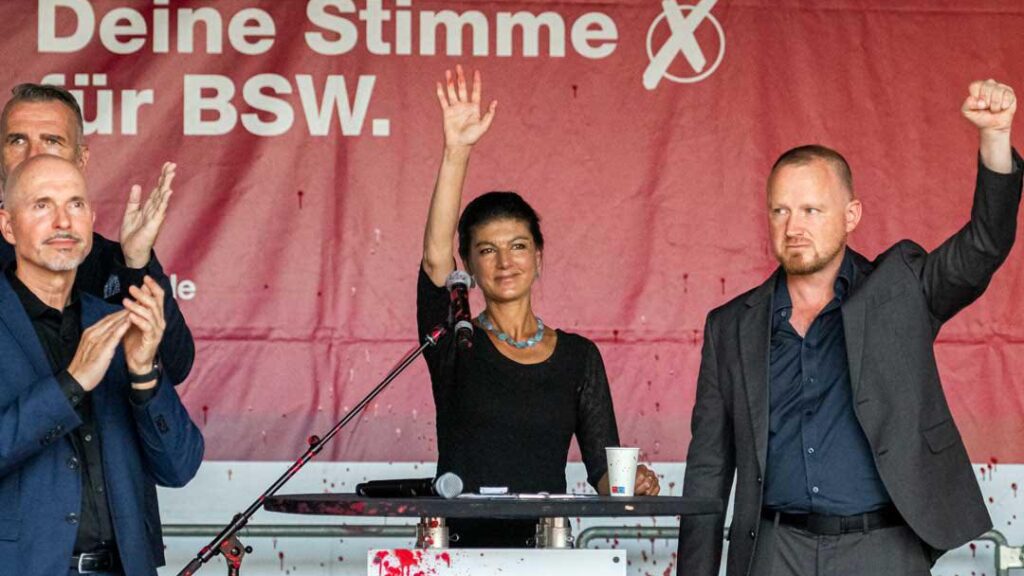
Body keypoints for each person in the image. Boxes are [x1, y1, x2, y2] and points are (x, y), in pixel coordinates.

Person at [678, 79, 1021, 576]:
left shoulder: (901, 289)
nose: (794, 227)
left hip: (882, 548)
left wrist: (995, 138)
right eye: (780, 210)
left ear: (851, 215)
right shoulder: (730, 326)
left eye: (811, 210)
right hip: (774, 551)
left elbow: (985, 245)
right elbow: (708, 469)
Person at [418, 66, 661, 546]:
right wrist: (456, 152)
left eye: (518, 246)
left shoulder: (578, 357)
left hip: (546, 552)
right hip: (456, 552)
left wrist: (633, 482)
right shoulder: (456, 341)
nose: (505, 261)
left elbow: (604, 472)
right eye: (487, 250)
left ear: (539, 258)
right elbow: (433, 259)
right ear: (468, 266)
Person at [0, 154, 204, 575]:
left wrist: (144, 375)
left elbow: (180, 467)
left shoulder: (115, 323)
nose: (63, 221)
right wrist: (71, 384)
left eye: (75, 204)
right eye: (42, 205)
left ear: (91, 220)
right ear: (7, 226)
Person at [0, 83, 194, 384]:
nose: (33, 155)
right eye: (17, 140)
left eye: (52, 141)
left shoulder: (111, 262)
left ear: (81, 159)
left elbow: (174, 367)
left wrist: (136, 263)